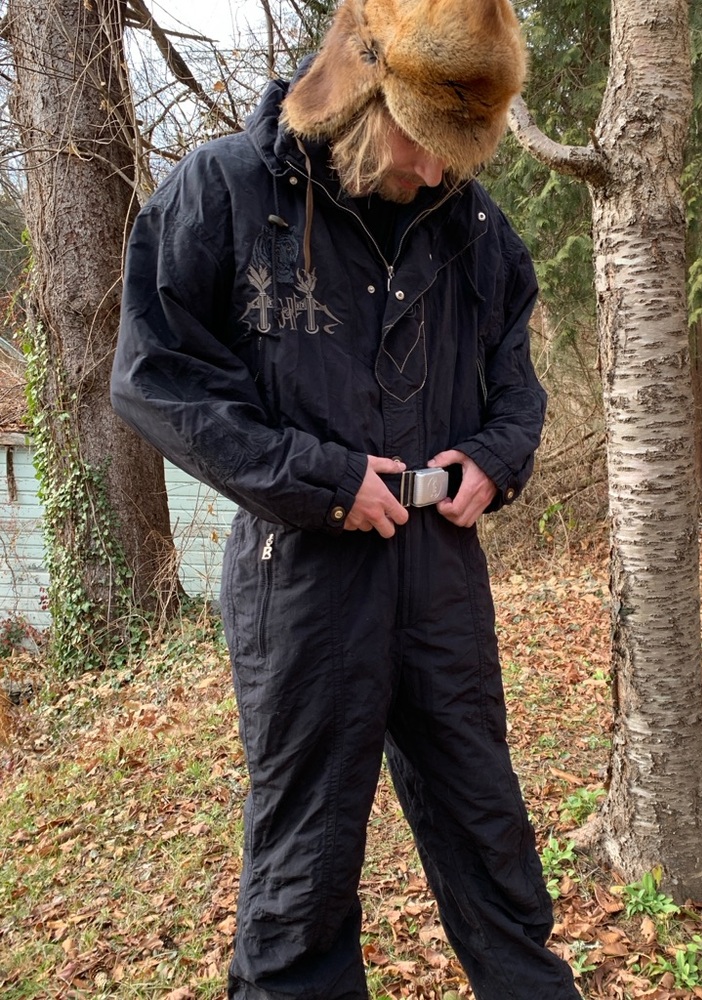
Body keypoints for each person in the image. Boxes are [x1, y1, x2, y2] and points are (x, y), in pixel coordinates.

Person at [111, 1, 584, 998]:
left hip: (441, 575)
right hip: (306, 579)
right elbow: (158, 380)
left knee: (488, 832)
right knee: (304, 869)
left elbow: (517, 382)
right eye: (425, 144)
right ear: (366, 100)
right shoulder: (230, 193)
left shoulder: (473, 228)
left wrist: (495, 458)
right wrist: (321, 480)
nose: (439, 170)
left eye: (463, 149)